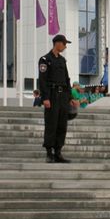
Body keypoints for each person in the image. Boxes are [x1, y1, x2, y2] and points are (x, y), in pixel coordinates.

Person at [38, 34, 77, 163]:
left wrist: (70, 96)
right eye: (64, 44)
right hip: (52, 95)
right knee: (51, 124)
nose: (65, 47)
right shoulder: (45, 59)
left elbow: (67, 79)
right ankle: (49, 153)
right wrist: (45, 98)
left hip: (63, 96)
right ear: (57, 43)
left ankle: (58, 152)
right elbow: (42, 80)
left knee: (62, 125)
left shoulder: (62, 60)